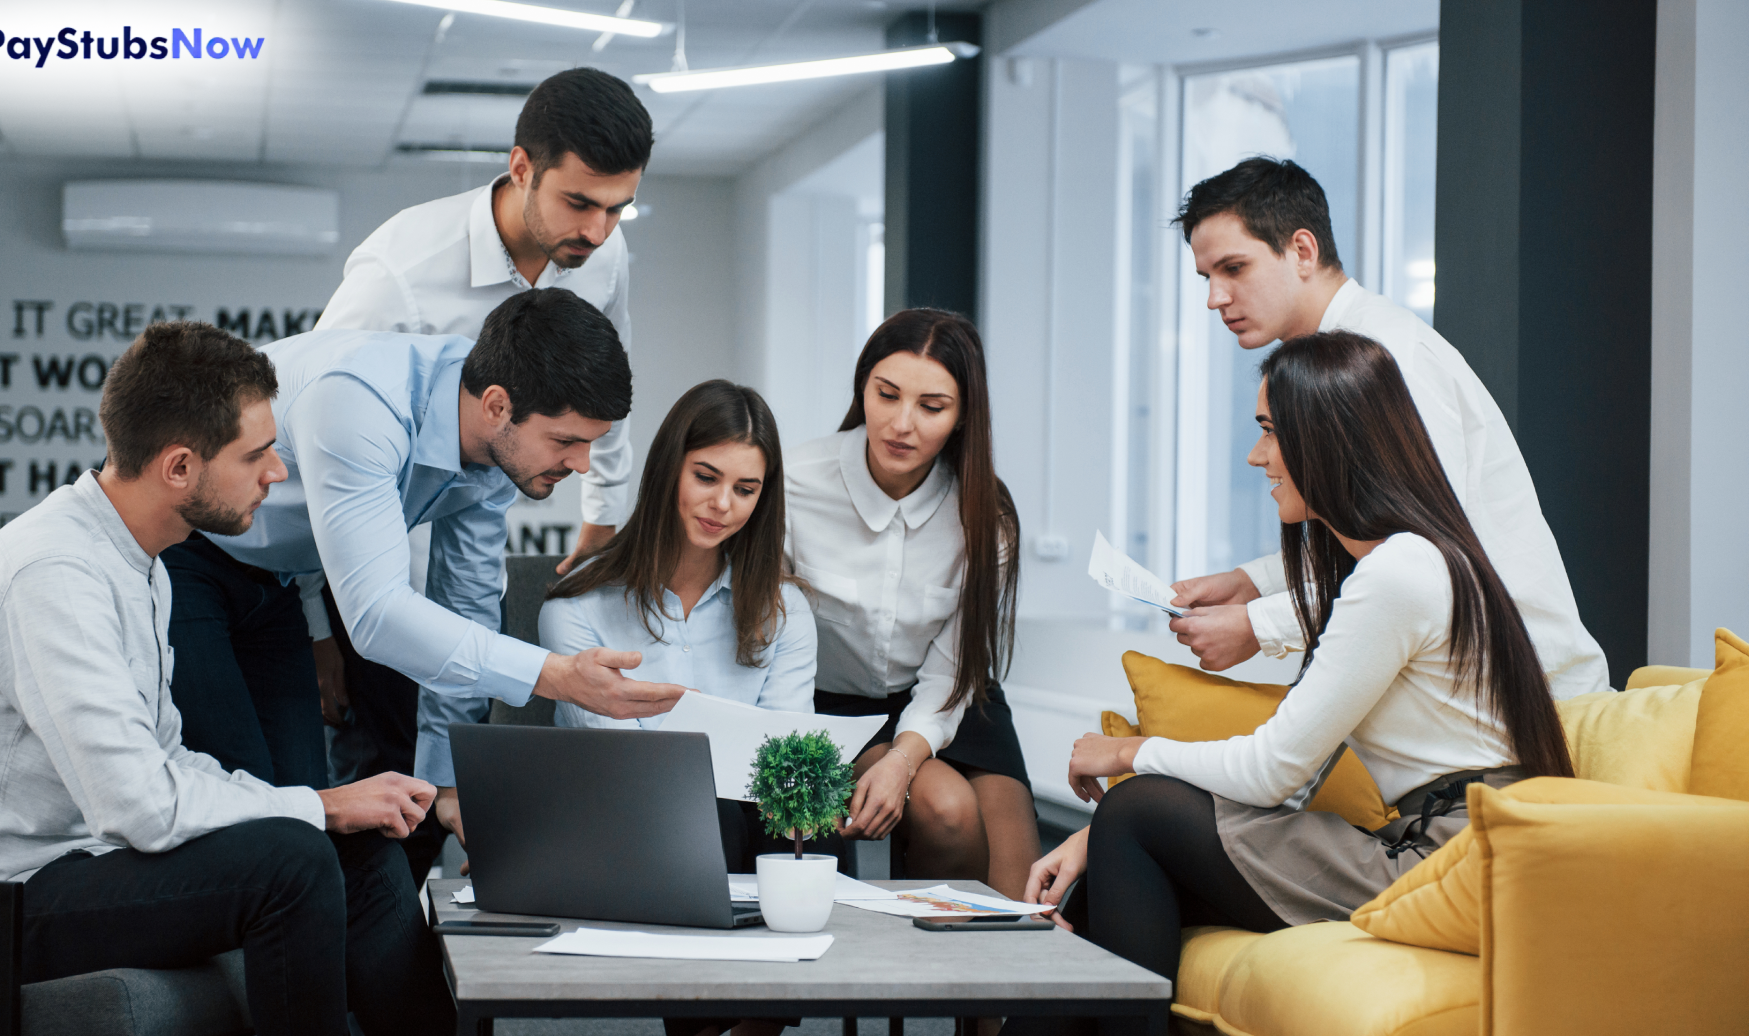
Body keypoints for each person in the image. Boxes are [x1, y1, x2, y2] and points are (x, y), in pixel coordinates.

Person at [0, 322, 456, 1036]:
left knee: (353, 847)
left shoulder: (140, 559)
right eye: (257, 454)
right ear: (180, 467)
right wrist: (318, 804)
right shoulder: (54, 571)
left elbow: (169, 764)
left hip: (74, 870)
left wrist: (331, 808)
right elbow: (140, 807)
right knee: (296, 859)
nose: (277, 473)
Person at [1017, 332, 1575, 1035]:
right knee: (1125, 841)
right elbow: (1298, 773)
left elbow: (1276, 769)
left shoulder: (1401, 574)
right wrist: (1096, 837)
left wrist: (1128, 756)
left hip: (1450, 864)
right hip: (1442, 849)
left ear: (1328, 437)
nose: (1257, 457)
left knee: (1138, 813)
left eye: (1270, 434)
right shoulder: (1397, 565)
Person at [167, 288, 684, 882]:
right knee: (258, 816)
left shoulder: (494, 446)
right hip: (192, 553)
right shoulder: (361, 402)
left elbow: (466, 606)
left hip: (281, 578)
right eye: (567, 441)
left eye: (591, 443)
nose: (583, 465)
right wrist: (558, 676)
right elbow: (378, 617)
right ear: (496, 406)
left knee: (300, 821)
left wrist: (448, 781)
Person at [304, 66, 654, 826]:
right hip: (354, 538)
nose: (596, 232)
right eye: (580, 203)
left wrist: (604, 507)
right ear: (521, 167)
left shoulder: (601, 254)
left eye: (617, 210)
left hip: (472, 514)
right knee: (376, 757)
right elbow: (300, 455)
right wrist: (316, 625)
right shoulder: (398, 275)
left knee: (449, 760)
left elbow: (608, 379)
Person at [1165, 157, 1609, 700]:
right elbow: (1381, 526)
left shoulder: (1387, 359)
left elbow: (1432, 557)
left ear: (1302, 251)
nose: (1215, 298)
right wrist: (1254, 582)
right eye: (1207, 277)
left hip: (1522, 698)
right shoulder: (1336, 359)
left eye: (1234, 269)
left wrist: (1263, 625)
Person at [784, 308, 1038, 897]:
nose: (902, 424)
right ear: (863, 388)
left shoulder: (986, 517)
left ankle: (959, 984)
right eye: (887, 394)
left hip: (950, 695)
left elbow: (952, 669)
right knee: (946, 808)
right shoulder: (794, 483)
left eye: (932, 406)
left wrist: (904, 756)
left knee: (1022, 911)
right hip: (825, 703)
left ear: (962, 416)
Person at [541, 379, 822, 875]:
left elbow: (786, 759)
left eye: (745, 489)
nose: (723, 505)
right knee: (710, 812)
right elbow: (616, 760)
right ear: (670, 467)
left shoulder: (786, 609)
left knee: (805, 821)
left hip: (744, 821)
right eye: (706, 477)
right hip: (621, 819)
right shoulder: (578, 605)